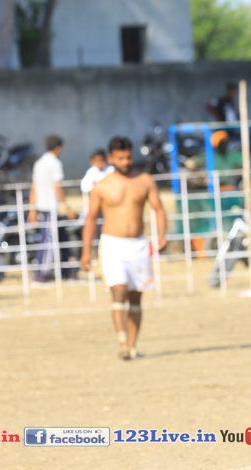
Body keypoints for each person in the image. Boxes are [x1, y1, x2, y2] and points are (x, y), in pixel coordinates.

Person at [80, 136, 167, 360]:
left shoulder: (144, 181)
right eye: (120, 158)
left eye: (128, 157)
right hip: (112, 244)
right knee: (118, 291)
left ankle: (132, 345)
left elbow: (158, 209)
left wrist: (162, 235)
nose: (126, 162)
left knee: (135, 296)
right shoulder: (101, 186)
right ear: (111, 158)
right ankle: (122, 344)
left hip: (138, 244)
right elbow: (91, 219)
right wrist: (86, 251)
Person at [28, 135, 77, 282]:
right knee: (48, 241)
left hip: (42, 206)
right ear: (58, 148)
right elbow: (57, 186)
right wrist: (68, 208)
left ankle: (68, 272)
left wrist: (32, 210)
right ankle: (41, 275)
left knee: (62, 236)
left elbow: (34, 187)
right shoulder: (55, 163)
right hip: (50, 207)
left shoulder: (39, 163)